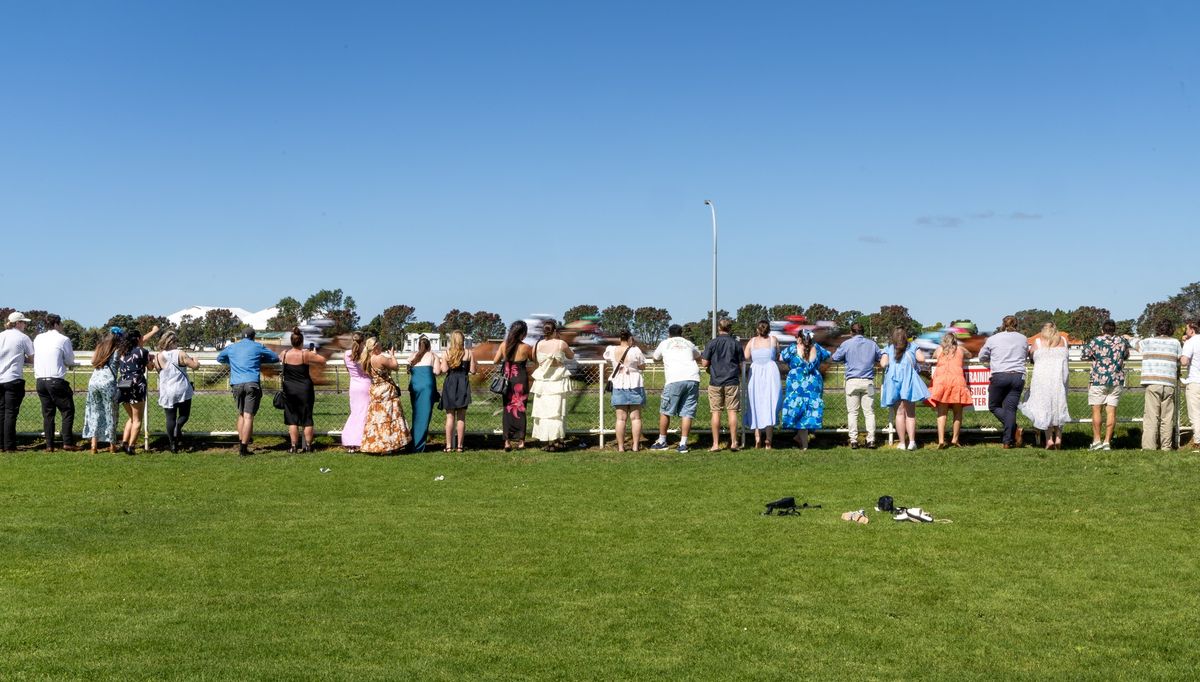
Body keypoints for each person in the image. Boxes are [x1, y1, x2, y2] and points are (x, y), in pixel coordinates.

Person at [216, 328, 280, 456]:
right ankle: (243, 449)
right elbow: (275, 358)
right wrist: (260, 360)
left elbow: (219, 358)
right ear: (253, 336)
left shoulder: (232, 347)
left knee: (241, 414)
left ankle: (241, 441)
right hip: (252, 383)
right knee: (248, 416)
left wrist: (233, 362)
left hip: (236, 384)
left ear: (241, 336)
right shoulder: (258, 346)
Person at [978, 315, 1029, 449]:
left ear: (1003, 325)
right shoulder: (1023, 339)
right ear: (1016, 325)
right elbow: (1026, 354)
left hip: (1000, 375)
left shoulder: (993, 339)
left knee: (993, 406)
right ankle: (1007, 442)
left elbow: (981, 356)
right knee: (1010, 409)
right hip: (1018, 376)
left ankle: (1015, 430)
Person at [1018, 323, 1071, 450]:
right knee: (1059, 406)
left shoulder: (1038, 342)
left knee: (1045, 407)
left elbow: (1031, 355)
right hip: (1059, 378)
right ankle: (1058, 437)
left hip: (1042, 381)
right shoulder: (1063, 340)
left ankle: (1049, 440)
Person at [1080, 318, 1131, 451]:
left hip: (1098, 379)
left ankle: (1097, 440)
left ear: (1102, 330)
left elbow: (1084, 354)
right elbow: (1126, 355)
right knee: (1111, 412)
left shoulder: (1096, 341)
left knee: (1097, 411)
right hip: (1116, 380)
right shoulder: (1121, 341)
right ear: (1114, 330)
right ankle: (1107, 442)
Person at [650, 324, 701, 453]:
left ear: (669, 333)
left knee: (666, 410)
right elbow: (698, 356)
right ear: (681, 333)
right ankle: (683, 444)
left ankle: (662, 441)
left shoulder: (665, 343)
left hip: (674, 378)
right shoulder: (688, 343)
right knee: (687, 412)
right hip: (692, 378)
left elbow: (655, 357)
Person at [831, 322, 882, 449]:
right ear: (863, 332)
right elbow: (880, 357)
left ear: (851, 332)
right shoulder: (872, 344)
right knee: (869, 412)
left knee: (852, 413)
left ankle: (853, 440)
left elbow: (835, 357)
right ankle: (871, 439)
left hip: (852, 381)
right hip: (868, 382)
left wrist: (846, 358)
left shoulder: (846, 344)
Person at [33, 313, 78, 451]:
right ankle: (67, 442)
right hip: (56, 380)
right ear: (57, 324)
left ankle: (49, 445)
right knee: (67, 410)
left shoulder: (38, 338)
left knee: (48, 414)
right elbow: (70, 361)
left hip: (40, 380)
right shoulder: (63, 339)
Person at [359, 337, 412, 454]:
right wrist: (392, 355)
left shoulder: (366, 360)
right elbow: (395, 366)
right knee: (389, 417)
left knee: (377, 419)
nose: (382, 347)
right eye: (380, 345)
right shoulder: (380, 358)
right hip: (386, 391)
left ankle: (376, 444)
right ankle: (390, 444)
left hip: (375, 390)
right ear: (376, 347)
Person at [880, 327, 929, 450]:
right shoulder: (912, 347)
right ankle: (912, 442)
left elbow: (883, 363)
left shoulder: (889, 348)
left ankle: (902, 443)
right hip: (909, 380)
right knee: (910, 413)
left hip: (893, 381)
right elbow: (921, 359)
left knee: (899, 413)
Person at [780, 330, 831, 450]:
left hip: (796, 384)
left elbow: (781, 357)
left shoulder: (792, 349)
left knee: (799, 410)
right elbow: (828, 357)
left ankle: (803, 444)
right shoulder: (817, 348)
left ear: (799, 338)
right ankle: (801, 438)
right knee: (809, 410)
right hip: (813, 383)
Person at [280, 327, 327, 453]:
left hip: (289, 389)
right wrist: (314, 353)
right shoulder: (305, 354)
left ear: (291, 341)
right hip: (305, 389)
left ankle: (294, 447)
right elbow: (322, 361)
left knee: (292, 419)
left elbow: (279, 359)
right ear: (301, 341)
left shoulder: (284, 354)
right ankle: (308, 446)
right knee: (307, 418)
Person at [1138, 318, 1181, 451]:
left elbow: (1135, 344)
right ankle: (1166, 446)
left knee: (1151, 417)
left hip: (1152, 382)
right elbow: (1179, 358)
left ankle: (1149, 446)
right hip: (1168, 383)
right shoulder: (1176, 343)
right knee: (1167, 418)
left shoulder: (1149, 341)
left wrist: (1128, 337)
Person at [530, 320, 574, 451]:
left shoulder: (537, 345)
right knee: (557, 412)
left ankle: (547, 442)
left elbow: (534, 359)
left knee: (544, 413)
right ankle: (558, 440)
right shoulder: (561, 343)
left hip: (543, 383)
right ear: (555, 331)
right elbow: (571, 356)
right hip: (558, 382)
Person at [700, 318, 742, 452]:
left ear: (718, 328)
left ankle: (716, 444)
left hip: (715, 381)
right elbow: (741, 364)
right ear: (730, 329)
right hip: (732, 381)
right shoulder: (736, 344)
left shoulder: (712, 343)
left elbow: (705, 363)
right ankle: (734, 442)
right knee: (732, 412)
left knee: (716, 412)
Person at [493, 321, 535, 451]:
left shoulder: (504, 345)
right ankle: (521, 441)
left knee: (507, 409)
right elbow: (534, 359)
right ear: (522, 333)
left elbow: (495, 360)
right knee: (521, 409)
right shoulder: (526, 347)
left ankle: (507, 441)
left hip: (508, 380)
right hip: (521, 380)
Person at [155, 330, 199, 453]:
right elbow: (194, 366)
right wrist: (196, 360)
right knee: (184, 415)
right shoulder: (180, 353)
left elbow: (159, 371)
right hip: (181, 388)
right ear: (173, 341)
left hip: (166, 390)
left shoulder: (158, 356)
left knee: (170, 418)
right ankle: (178, 428)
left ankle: (172, 445)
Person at [929, 332, 974, 448]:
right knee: (957, 412)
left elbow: (933, 356)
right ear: (955, 340)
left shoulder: (939, 349)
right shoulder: (960, 349)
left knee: (942, 413)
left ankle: (941, 440)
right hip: (957, 381)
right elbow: (969, 355)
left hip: (941, 381)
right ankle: (955, 439)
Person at [604, 329, 646, 452]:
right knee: (636, 418)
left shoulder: (611, 350)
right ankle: (635, 446)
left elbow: (607, 359)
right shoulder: (635, 350)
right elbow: (642, 365)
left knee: (620, 419)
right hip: (634, 384)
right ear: (630, 338)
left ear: (619, 339)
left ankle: (621, 447)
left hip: (618, 384)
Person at [82, 329, 123, 454]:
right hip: (108, 382)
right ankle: (112, 445)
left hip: (93, 381)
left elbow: (93, 361)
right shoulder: (117, 350)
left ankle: (93, 446)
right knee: (111, 413)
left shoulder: (100, 348)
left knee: (95, 412)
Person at [0, 312, 35, 452]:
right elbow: (32, 359)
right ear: (18, 323)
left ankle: (1, 445)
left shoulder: (1, 335)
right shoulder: (23, 338)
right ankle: (10, 446)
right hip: (13, 378)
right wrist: (22, 359)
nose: (25, 325)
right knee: (10, 413)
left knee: (1, 412)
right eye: (24, 322)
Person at [743, 320, 781, 449]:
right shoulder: (773, 340)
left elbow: (746, 356)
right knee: (770, 403)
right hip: (771, 373)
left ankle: (757, 438)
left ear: (757, 329)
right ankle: (768, 440)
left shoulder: (752, 341)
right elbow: (777, 355)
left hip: (756, 374)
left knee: (755, 403)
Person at [439, 330, 476, 452]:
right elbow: (473, 370)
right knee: (461, 417)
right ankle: (460, 446)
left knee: (450, 417)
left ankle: (448, 446)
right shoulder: (469, 353)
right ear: (462, 340)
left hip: (450, 384)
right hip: (463, 384)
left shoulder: (446, 353)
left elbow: (443, 370)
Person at [407, 335, 441, 453]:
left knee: (416, 414)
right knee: (424, 416)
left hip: (414, 385)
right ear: (429, 346)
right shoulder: (432, 355)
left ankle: (411, 441)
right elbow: (437, 371)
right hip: (427, 386)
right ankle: (418, 446)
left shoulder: (412, 356)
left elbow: (408, 369)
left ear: (418, 346)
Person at [341, 332, 370, 452]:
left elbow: (348, 370)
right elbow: (369, 370)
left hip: (354, 386)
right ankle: (360, 441)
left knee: (355, 413)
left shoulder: (347, 354)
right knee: (364, 414)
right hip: (366, 385)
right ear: (363, 341)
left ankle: (350, 441)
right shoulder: (366, 354)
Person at [1181, 320, 1200, 452]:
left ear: (1192, 330)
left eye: (1187, 329)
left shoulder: (1191, 342)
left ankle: (1198, 441)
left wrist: (1184, 347)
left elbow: (1184, 361)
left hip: (1195, 381)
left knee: (1195, 413)